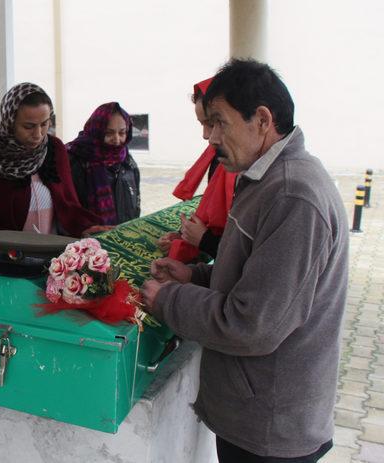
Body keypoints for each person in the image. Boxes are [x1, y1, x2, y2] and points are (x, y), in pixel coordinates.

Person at [141, 59, 348, 462]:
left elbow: (252, 324)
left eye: (220, 122)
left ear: (262, 119)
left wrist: (169, 300)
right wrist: (195, 275)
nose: (211, 136)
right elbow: (256, 273)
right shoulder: (265, 177)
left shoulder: (292, 195)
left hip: (271, 426)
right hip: (257, 411)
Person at [0, 82, 103, 240]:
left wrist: (84, 227)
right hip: (2, 255)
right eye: (28, 126)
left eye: (44, 124)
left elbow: (68, 204)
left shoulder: (54, 148)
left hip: (52, 253)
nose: (38, 134)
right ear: (10, 123)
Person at [158, 78, 236, 262]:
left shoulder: (249, 172)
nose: (206, 135)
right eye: (203, 124)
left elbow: (245, 255)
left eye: (213, 123)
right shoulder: (222, 157)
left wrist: (203, 240)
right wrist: (184, 236)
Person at [66, 102, 140, 225]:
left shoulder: (127, 161)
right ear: (96, 131)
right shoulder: (74, 160)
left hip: (123, 236)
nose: (117, 139)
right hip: (86, 239)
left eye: (122, 133)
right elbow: (68, 210)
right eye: (108, 133)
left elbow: (135, 205)